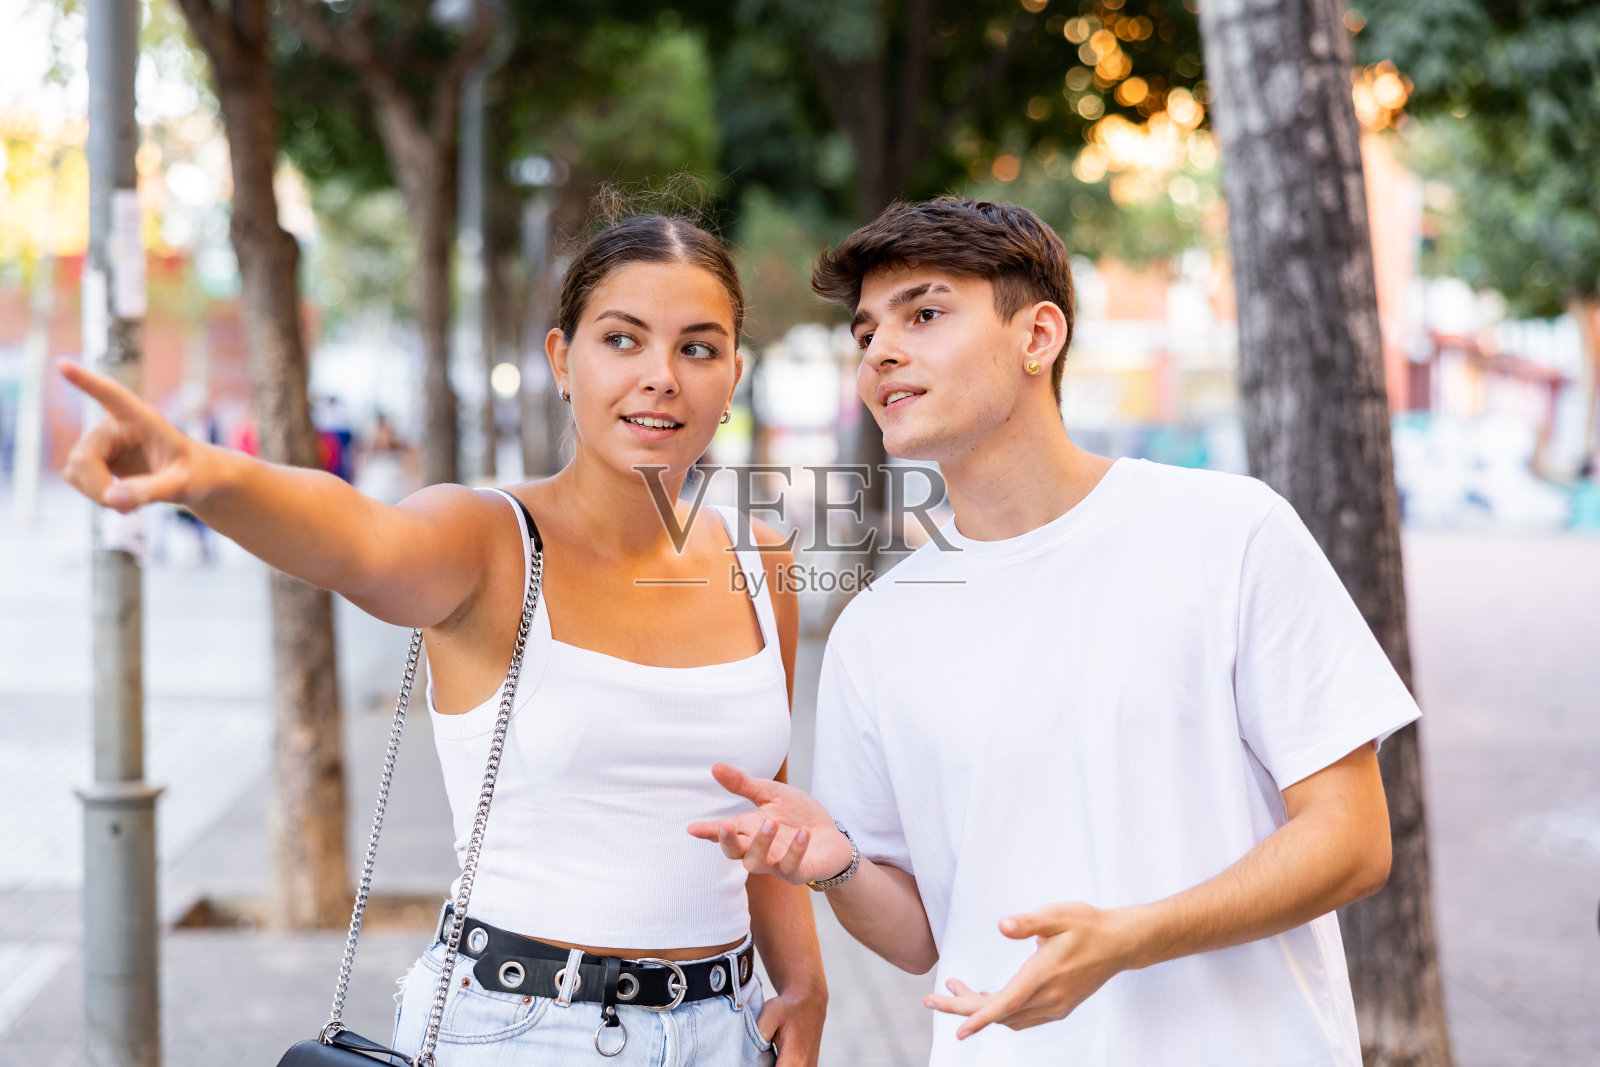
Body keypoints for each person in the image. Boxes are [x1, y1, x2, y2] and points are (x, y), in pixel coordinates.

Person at [60, 212, 826, 1066]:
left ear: (732, 376)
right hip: (526, 1029)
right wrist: (206, 474)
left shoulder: (760, 559)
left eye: (697, 347)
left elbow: (768, 806)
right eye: (623, 339)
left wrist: (804, 983)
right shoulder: (489, 539)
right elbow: (358, 538)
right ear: (561, 361)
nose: (661, 377)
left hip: (730, 1026)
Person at [689, 197, 1419, 1066]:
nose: (881, 351)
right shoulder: (876, 631)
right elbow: (920, 935)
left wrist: (1131, 936)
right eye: (865, 332)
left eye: (924, 314)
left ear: (1038, 337)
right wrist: (837, 861)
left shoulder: (1229, 532)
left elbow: (1352, 837)